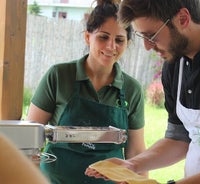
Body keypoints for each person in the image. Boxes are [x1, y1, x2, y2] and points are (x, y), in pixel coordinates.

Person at [85, 0, 200, 183]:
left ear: (183, 18)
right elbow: (179, 138)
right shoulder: (175, 65)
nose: (147, 46)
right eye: (143, 37)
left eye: (151, 35)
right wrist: (132, 165)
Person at [26, 0, 146, 183]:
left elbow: (136, 152)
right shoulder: (59, 76)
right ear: (88, 37)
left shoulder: (132, 89)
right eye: (103, 37)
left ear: (127, 43)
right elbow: (31, 140)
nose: (111, 46)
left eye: (119, 40)